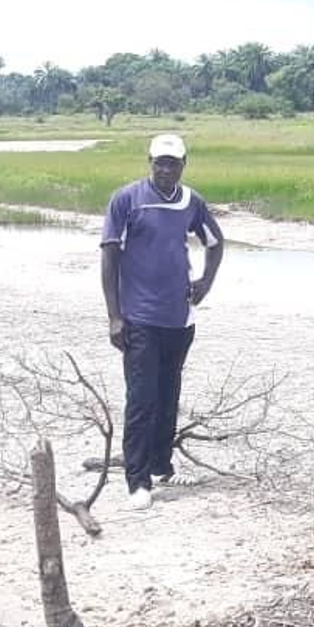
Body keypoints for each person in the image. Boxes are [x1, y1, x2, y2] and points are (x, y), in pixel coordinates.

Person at [100, 133, 224, 510]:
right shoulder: (127, 200)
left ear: (184, 164)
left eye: (173, 163)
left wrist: (205, 282)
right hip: (138, 318)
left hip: (179, 319)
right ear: (149, 162)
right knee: (141, 399)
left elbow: (216, 243)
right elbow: (109, 257)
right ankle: (137, 481)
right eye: (160, 162)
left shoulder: (191, 202)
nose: (166, 169)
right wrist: (114, 317)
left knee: (169, 396)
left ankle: (160, 465)